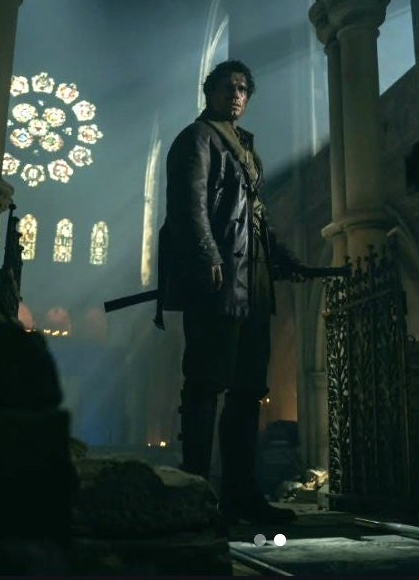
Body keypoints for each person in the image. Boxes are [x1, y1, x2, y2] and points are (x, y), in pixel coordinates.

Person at [156, 60, 304, 524]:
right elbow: (188, 205)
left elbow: (256, 215)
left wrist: (284, 259)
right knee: (205, 383)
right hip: (218, 279)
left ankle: (241, 494)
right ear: (210, 91)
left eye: (243, 88)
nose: (236, 94)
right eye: (228, 86)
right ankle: (197, 492)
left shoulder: (246, 149)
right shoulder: (197, 138)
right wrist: (207, 255)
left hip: (253, 280)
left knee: (248, 388)